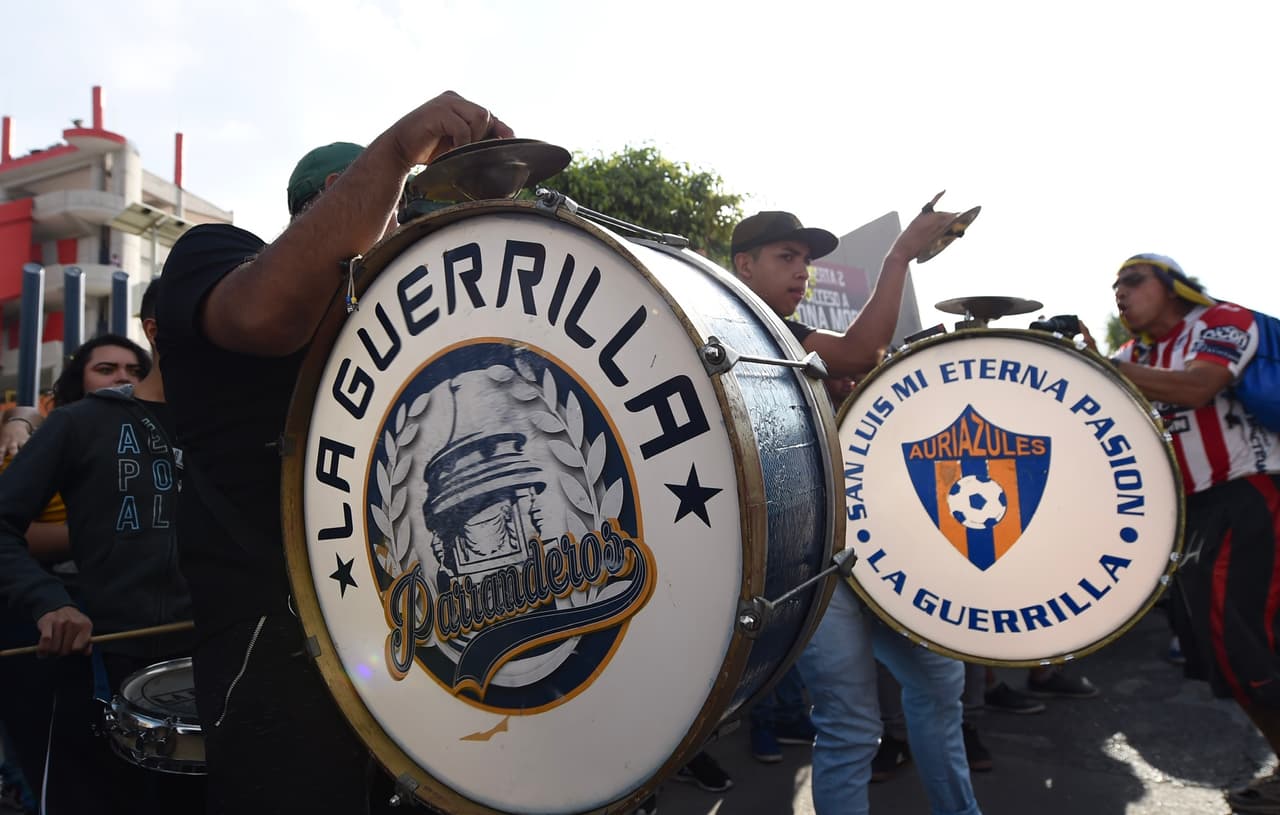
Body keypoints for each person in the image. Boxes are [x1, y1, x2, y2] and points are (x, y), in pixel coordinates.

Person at [155, 91, 511, 814]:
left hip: (401, 627)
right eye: (399, 204)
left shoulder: (393, 308)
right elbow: (267, 314)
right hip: (273, 641)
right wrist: (396, 150)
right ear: (332, 196)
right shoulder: (215, 254)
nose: (407, 221)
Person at [729, 206, 983, 815]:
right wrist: (898, 256)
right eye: (786, 258)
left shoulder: (781, 332)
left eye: (806, 262)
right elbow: (865, 350)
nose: (803, 273)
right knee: (851, 724)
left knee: (933, 688)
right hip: (814, 559)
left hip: (868, 546)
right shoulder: (750, 331)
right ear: (744, 265)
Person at [0, 280, 199, 814]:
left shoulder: (241, 426)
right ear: (155, 330)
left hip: (222, 678)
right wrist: (49, 601)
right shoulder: (79, 422)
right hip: (100, 676)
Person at [1097, 253, 1280, 813]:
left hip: (1251, 493)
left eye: (1132, 281)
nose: (1120, 294)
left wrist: (1103, 368)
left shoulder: (1222, 322)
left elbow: (1200, 387)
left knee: (1242, 645)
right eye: (1114, 286)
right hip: (1190, 512)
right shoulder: (1132, 355)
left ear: (1173, 286)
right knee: (1220, 652)